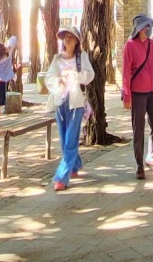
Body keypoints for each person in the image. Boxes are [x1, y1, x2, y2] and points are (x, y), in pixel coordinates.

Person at [44, 27, 95, 191]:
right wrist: (58, 79)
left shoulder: (82, 57)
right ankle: (75, 165)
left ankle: (61, 177)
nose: (67, 40)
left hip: (76, 103)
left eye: (71, 37)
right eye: (65, 37)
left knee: (71, 140)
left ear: (77, 41)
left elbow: (89, 75)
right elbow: (49, 78)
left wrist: (74, 76)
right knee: (65, 139)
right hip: (61, 101)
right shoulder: (57, 58)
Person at [121, 13, 153, 180]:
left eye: (149, 26)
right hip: (137, 94)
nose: (148, 29)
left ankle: (152, 156)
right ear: (138, 28)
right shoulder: (130, 46)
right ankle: (139, 164)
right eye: (145, 26)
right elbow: (126, 72)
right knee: (138, 129)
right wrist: (127, 95)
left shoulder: (151, 44)